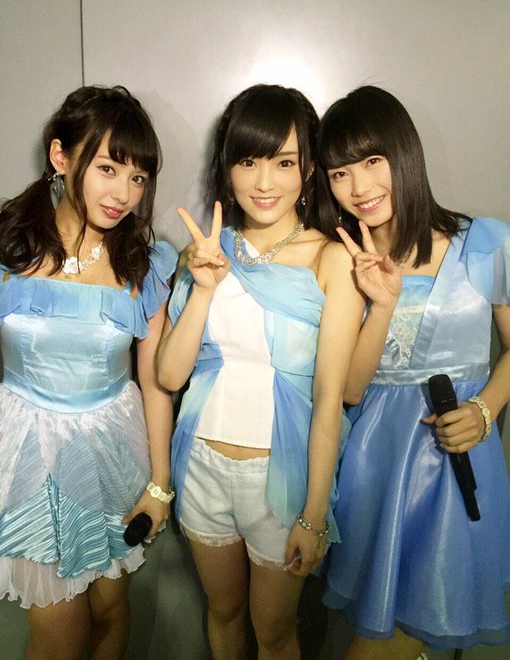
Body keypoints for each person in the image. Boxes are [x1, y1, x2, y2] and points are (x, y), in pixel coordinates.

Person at [157, 84, 364, 659]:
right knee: (222, 615)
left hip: (282, 480)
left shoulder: (331, 258)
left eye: (284, 162)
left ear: (309, 170)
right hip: (201, 466)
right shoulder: (205, 251)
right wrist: (202, 287)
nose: (265, 181)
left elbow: (331, 398)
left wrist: (314, 515)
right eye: (248, 161)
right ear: (228, 168)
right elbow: (170, 377)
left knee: (273, 633)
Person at [318, 85, 510, 660]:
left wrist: (485, 409)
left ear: (404, 154)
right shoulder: (342, 261)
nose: (359, 187)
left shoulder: (485, 243)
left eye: (372, 161)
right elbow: (351, 390)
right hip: (374, 466)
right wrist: (380, 303)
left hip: (457, 461)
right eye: (340, 173)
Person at [0, 85, 177, 660]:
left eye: (137, 177)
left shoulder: (143, 262)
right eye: (107, 168)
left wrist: (159, 485)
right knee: (61, 635)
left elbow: (155, 382)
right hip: (23, 450)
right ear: (61, 156)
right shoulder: (6, 246)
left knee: (109, 611)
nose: (123, 193)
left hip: (111, 448)